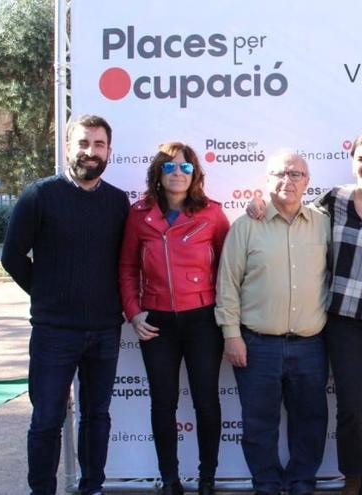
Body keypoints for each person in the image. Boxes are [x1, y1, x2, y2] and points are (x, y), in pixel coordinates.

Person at [249, 132, 362, 495]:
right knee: (351, 405)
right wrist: (259, 203)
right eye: (361, 159)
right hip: (343, 318)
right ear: (353, 162)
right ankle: (352, 476)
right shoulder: (334, 200)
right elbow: (292, 211)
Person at [1, 114, 130, 495]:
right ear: (67, 147)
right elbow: (12, 256)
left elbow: (125, 262)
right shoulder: (39, 195)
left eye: (99, 145)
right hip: (54, 332)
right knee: (46, 420)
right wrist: (46, 295)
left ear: (109, 151)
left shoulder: (118, 202)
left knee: (97, 417)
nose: (91, 152)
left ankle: (92, 487)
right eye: (84, 143)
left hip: (105, 331)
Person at [215, 151, 331, 495]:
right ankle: (265, 484)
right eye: (281, 173)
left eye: (297, 174)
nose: (289, 180)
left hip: (311, 344)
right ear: (267, 180)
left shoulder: (323, 223)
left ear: (308, 182)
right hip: (257, 344)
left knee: (310, 421)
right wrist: (231, 335)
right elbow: (228, 284)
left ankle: (301, 483)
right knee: (258, 423)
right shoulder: (246, 225)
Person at [118, 142, 230, 495]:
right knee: (162, 402)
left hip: (203, 321)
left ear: (195, 173)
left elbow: (231, 268)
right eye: (169, 167)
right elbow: (126, 268)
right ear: (158, 173)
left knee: (206, 401)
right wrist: (134, 314)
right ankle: (170, 480)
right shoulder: (139, 215)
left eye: (184, 167)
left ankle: (208, 478)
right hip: (158, 324)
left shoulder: (212, 214)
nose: (177, 173)